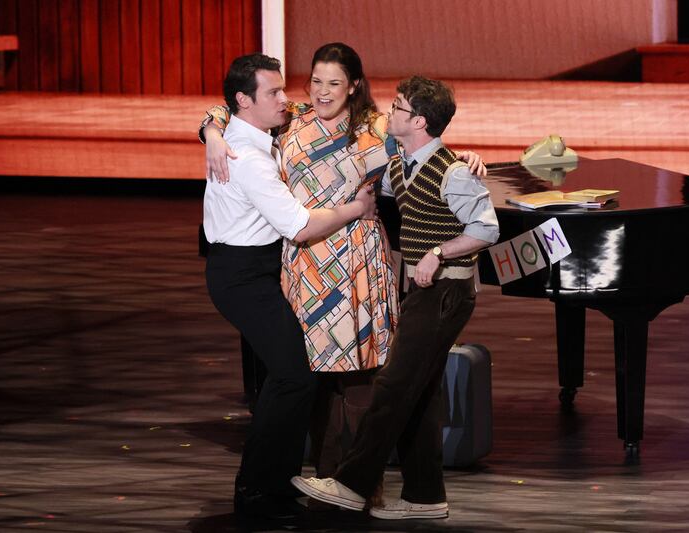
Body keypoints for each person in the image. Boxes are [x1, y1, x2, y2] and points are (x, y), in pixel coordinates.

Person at [200, 43, 487, 492]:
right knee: (307, 371)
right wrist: (213, 135)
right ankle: (312, 476)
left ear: (354, 85)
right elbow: (224, 108)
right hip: (305, 259)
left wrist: (463, 158)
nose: (322, 91)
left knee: (362, 370)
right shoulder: (290, 115)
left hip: (358, 259)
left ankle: (352, 484)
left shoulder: (375, 125)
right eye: (315, 80)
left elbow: (425, 144)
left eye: (334, 82)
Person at [291, 76, 500, 520]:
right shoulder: (402, 163)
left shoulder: (454, 171)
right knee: (418, 392)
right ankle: (425, 496)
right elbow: (381, 184)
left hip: (446, 291)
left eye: (400, 107)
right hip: (424, 290)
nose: (392, 112)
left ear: (419, 120)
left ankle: (351, 484)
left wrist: (437, 253)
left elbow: (486, 229)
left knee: (393, 386)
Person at [202, 52, 376, 518]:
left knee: (287, 376)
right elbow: (298, 226)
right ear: (245, 101)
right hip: (242, 276)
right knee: (293, 376)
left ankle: (270, 485)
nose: (289, 98)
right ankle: (257, 489)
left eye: (284, 89)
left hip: (257, 270)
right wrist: (354, 210)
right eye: (274, 92)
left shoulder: (255, 132)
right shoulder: (248, 158)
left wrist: (211, 131)